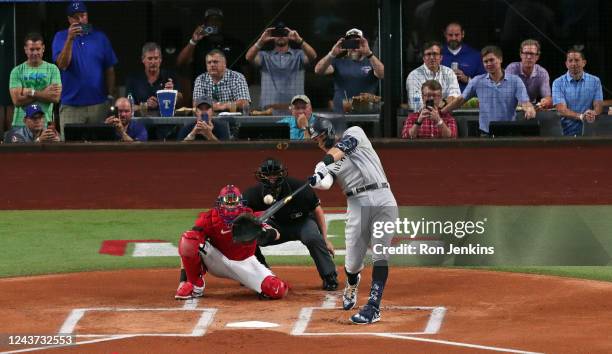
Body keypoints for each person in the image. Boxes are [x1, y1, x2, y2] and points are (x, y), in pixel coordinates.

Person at [307, 118, 398, 324]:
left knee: (380, 254)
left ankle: (373, 307)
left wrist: (323, 165)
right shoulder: (327, 163)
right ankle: (352, 282)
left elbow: (344, 148)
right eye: (316, 140)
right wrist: (318, 178)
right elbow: (327, 183)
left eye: (321, 136)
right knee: (353, 262)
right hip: (356, 203)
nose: (320, 142)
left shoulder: (354, 133)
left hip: (383, 196)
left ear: (329, 132)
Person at [175, 185, 289, 300]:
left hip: (245, 263)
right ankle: (195, 286)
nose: (230, 206)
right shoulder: (208, 219)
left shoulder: (251, 218)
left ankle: (254, 281)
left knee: (277, 289)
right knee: (189, 240)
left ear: (240, 203)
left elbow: (276, 234)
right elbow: (188, 245)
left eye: (234, 202)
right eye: (228, 202)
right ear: (220, 203)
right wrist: (183, 280)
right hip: (217, 260)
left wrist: (264, 232)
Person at [243, 158, 338, 291]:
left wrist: (325, 239)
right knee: (249, 237)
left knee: (313, 238)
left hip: (302, 223)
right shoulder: (254, 193)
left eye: (275, 174)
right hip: (276, 225)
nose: (272, 178)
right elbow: (241, 212)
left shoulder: (299, 188)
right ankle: (260, 274)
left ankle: (329, 277)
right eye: (268, 175)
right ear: (261, 176)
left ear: (282, 174)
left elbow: (317, 210)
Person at [52, 1, 118, 134]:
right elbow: (62, 65)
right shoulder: (61, 36)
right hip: (71, 106)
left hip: (98, 105)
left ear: (87, 16)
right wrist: (70, 39)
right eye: (75, 17)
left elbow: (109, 69)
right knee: (71, 152)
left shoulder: (100, 37)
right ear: (69, 19)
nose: (80, 19)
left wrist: (110, 95)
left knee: (99, 150)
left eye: (83, 15)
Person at [442, 46, 536, 135]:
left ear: (500, 59)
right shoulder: (477, 81)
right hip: (485, 133)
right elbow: (460, 100)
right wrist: (442, 112)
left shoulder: (515, 81)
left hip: (509, 131)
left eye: (491, 60)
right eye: (485, 61)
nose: (488, 64)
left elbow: (525, 102)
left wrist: (529, 109)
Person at [245, 24, 317, 109]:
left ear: (289, 35)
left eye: (284, 33)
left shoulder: (299, 54)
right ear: (272, 36)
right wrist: (261, 41)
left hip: (295, 107)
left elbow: (313, 56)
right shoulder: (264, 56)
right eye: (277, 33)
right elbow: (248, 57)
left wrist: (299, 40)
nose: (281, 36)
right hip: (269, 107)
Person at [314, 28, 384, 113]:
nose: (354, 46)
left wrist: (369, 53)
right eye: (350, 43)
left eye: (357, 42)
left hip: (366, 114)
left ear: (364, 43)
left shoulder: (371, 61)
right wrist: (332, 54)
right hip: (341, 113)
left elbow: (382, 74)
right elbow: (318, 70)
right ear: (346, 44)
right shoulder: (338, 62)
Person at [176, 8, 247, 84]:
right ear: (205, 24)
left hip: (229, 90)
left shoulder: (234, 43)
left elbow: (245, 68)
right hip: (203, 89)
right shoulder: (198, 43)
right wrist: (193, 41)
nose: (214, 23)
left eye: (217, 20)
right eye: (210, 20)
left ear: (222, 23)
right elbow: (180, 63)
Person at [9, 32, 61, 129]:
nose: (35, 53)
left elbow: (55, 98)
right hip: (20, 124)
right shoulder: (16, 71)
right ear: (25, 50)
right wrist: (44, 93)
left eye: (38, 49)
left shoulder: (53, 69)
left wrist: (29, 92)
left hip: (44, 123)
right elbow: (17, 101)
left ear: (43, 49)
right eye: (31, 49)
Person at [552, 49, 603, 136]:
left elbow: (598, 106)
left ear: (584, 63)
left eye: (577, 60)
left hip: (590, 131)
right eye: (570, 61)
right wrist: (581, 116)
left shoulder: (595, 81)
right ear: (566, 64)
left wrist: (593, 113)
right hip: (565, 133)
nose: (573, 64)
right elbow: (561, 110)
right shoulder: (557, 82)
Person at [125, 42, 183, 116]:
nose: (153, 62)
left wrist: (172, 94)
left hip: (166, 122)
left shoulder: (170, 76)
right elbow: (127, 106)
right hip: (141, 123)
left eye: (156, 58)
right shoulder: (133, 79)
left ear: (160, 60)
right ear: (143, 60)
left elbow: (181, 100)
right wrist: (145, 106)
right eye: (150, 59)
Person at [406, 41, 460, 111]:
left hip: (447, 117)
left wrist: (442, 103)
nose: (432, 57)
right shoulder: (413, 76)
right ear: (423, 58)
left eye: (435, 54)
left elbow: (456, 98)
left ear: (441, 57)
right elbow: (416, 104)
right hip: (422, 118)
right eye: (428, 54)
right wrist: (442, 104)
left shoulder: (449, 73)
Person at [504, 39, 552, 109]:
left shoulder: (542, 73)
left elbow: (547, 96)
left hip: (532, 107)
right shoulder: (512, 69)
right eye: (526, 53)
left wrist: (547, 101)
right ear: (521, 54)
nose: (529, 57)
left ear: (537, 57)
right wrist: (525, 104)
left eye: (532, 54)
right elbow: (506, 94)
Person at [440, 22, 485, 92]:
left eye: (457, 35)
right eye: (450, 35)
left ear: (463, 34)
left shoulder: (475, 55)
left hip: (468, 101)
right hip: (442, 100)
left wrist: (467, 79)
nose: (453, 38)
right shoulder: (437, 55)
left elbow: (485, 83)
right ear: (445, 35)